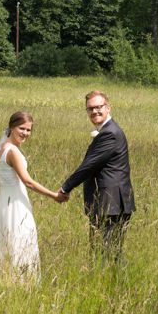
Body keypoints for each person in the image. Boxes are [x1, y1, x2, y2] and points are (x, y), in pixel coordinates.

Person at [0, 110, 67, 280]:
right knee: (20, 244)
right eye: (22, 128)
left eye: (29, 130)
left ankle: (7, 280)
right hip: (16, 205)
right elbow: (28, 182)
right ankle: (21, 283)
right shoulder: (12, 151)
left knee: (8, 245)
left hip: (4, 204)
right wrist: (54, 195)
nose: (25, 133)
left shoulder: (2, 148)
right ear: (12, 127)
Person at [60, 90, 135, 264]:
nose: (94, 112)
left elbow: (89, 165)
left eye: (98, 107)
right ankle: (115, 286)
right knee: (109, 253)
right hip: (111, 202)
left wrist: (65, 188)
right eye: (90, 109)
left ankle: (112, 287)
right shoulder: (107, 130)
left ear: (108, 108)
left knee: (103, 255)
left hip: (110, 203)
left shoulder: (110, 133)